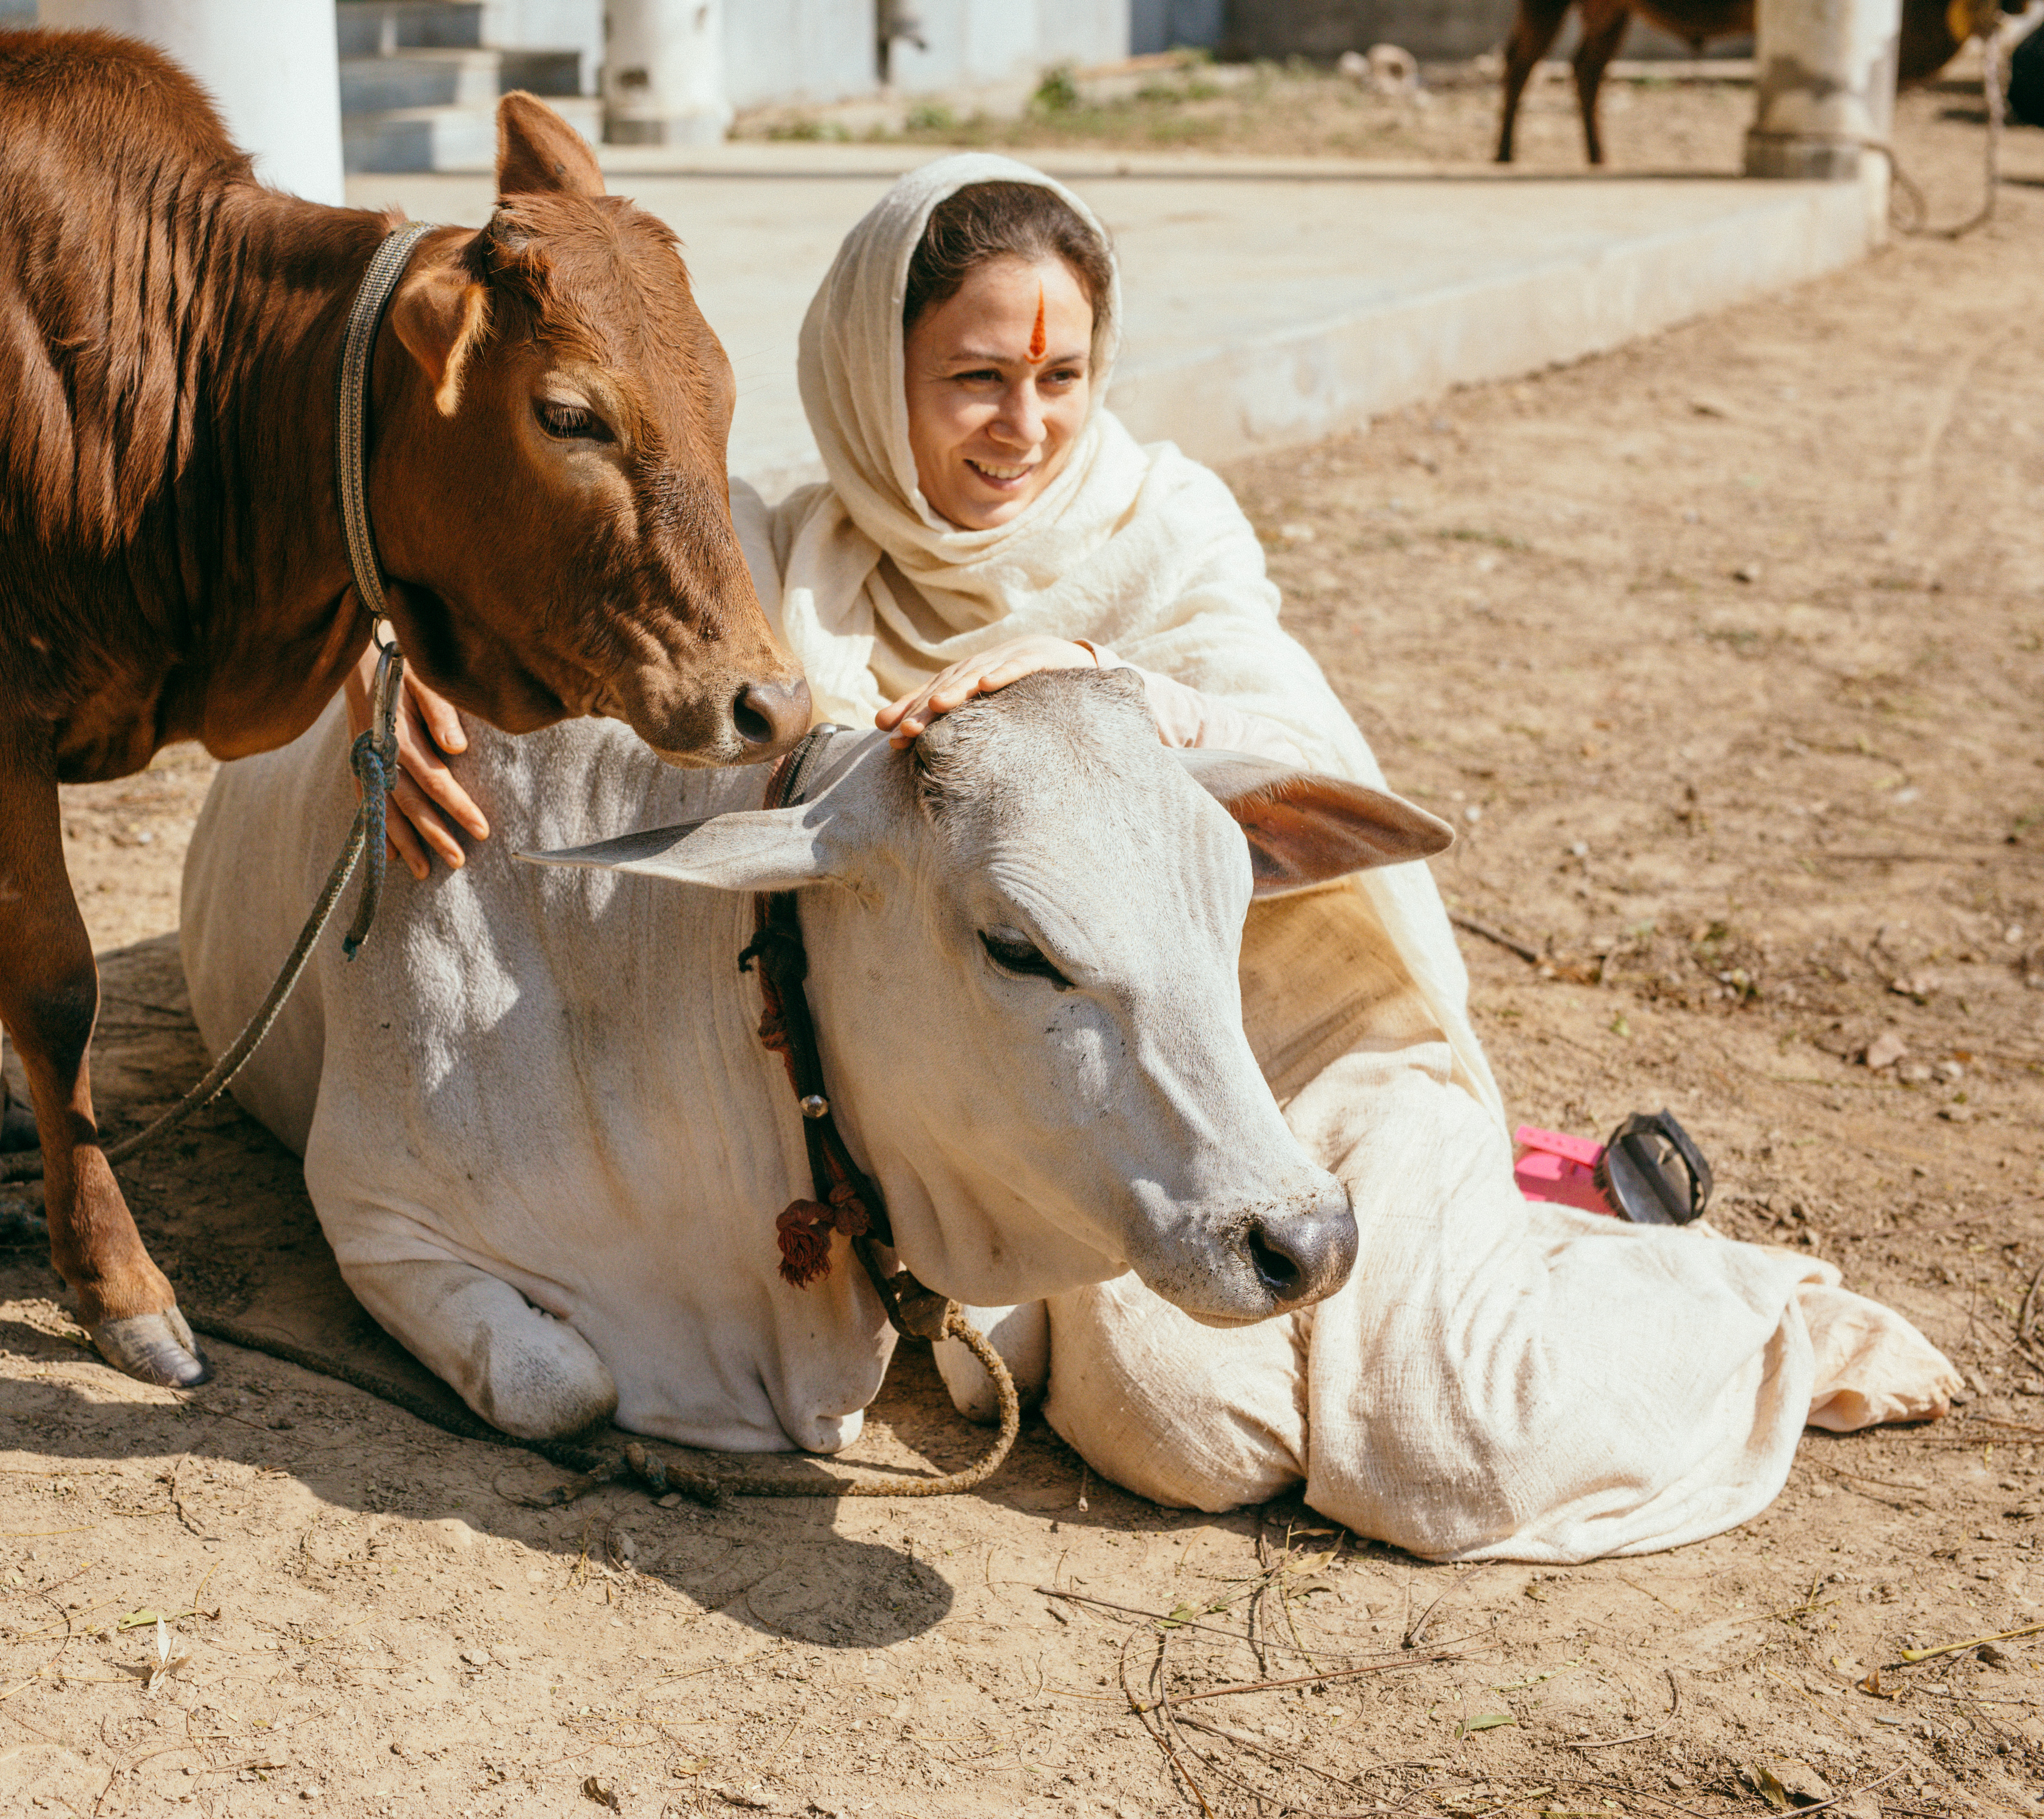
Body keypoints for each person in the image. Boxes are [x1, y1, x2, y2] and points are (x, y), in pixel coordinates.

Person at [353, 154, 1959, 1563]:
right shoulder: (800, 556)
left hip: (1284, 1050)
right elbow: (610, 589)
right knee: (1185, 1429)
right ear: (868, 372)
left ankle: (1754, 1314)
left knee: (1443, 1447)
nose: (1022, 428)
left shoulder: (1165, 537)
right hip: (1044, 1096)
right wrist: (407, 675)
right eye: (973, 376)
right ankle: (1518, 1241)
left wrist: (1082, 680)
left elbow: (1288, 741)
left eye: (1063, 378)